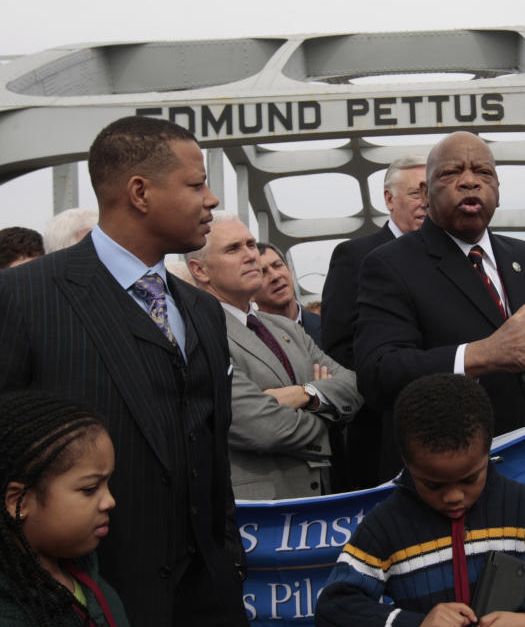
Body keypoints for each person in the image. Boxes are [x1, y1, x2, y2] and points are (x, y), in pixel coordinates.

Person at [0, 116, 246, 627]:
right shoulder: (26, 298)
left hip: (210, 598)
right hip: (88, 599)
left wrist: (225, 560)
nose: (212, 200)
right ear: (140, 191)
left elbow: (210, 448)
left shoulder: (201, 311)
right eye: (197, 184)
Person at [354, 131, 525, 480]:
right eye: (452, 173)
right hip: (449, 479)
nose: (469, 182)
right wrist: (480, 354)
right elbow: (378, 373)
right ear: (425, 192)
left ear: (497, 187)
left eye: (483, 173)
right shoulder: (390, 264)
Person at [313, 373, 525, 627]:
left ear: (487, 454)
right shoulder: (385, 526)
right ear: (407, 462)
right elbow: (335, 607)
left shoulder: (523, 507)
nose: (453, 496)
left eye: (470, 479)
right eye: (433, 484)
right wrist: (416, 624)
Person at [186, 213, 362, 499]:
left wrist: (306, 394)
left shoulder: (286, 328)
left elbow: (354, 384)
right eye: (233, 249)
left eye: (250, 244)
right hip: (258, 518)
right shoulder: (198, 335)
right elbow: (262, 427)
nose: (250, 256)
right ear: (200, 270)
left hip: (320, 505)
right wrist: (329, 415)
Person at [320, 154, 427, 489]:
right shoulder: (356, 256)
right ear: (388, 199)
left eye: (432, 193)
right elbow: (339, 347)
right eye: (416, 193)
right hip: (382, 431)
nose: (426, 202)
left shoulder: (453, 258)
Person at [0, 391, 130, 627]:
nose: (110, 501)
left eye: (108, 483)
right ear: (18, 501)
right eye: (90, 488)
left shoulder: (93, 584)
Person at [254, 242, 323, 347]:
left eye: (278, 265)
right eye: (262, 273)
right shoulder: (246, 343)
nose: (275, 276)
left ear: (289, 272)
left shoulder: (330, 328)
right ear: (250, 294)